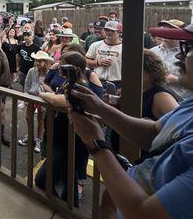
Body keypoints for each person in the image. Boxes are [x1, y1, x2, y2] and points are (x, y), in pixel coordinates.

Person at [67, 23, 193, 219]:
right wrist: (99, 107)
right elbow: (154, 132)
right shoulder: (190, 105)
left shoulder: (163, 96)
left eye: (188, 48)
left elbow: (142, 214)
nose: (179, 56)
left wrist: (97, 144)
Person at [35, 51, 103, 207]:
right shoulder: (69, 82)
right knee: (67, 176)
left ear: (75, 68)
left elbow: (60, 100)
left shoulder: (80, 86)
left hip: (72, 141)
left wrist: (43, 94)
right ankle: (68, 207)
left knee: (42, 179)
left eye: (63, 64)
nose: (58, 67)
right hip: (62, 139)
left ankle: (67, 206)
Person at [18, 50, 54, 153]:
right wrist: (25, 96)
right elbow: (27, 83)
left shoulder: (49, 73)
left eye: (40, 61)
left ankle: (39, 139)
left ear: (45, 62)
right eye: (36, 60)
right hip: (31, 96)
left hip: (43, 99)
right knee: (28, 117)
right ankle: (30, 136)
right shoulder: (31, 71)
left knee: (40, 119)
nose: (37, 63)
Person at [150, 19, 192, 100]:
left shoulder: (187, 53)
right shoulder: (152, 52)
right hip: (157, 101)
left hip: (182, 100)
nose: (179, 57)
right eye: (164, 28)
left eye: (170, 29)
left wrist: (175, 79)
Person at [86, 20, 123, 90]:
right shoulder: (95, 45)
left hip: (117, 83)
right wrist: (97, 62)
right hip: (98, 81)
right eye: (106, 30)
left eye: (112, 31)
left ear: (119, 32)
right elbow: (86, 61)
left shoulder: (125, 47)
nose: (109, 33)